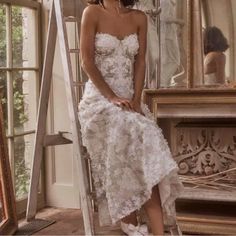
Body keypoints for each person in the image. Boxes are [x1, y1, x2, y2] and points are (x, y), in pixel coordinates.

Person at [78, 0, 184, 235]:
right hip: (99, 101)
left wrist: (136, 99)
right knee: (136, 135)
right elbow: (86, 62)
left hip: (129, 102)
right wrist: (112, 97)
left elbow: (140, 62)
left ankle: (151, 231)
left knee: (144, 140)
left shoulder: (139, 17)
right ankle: (137, 226)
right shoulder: (92, 12)